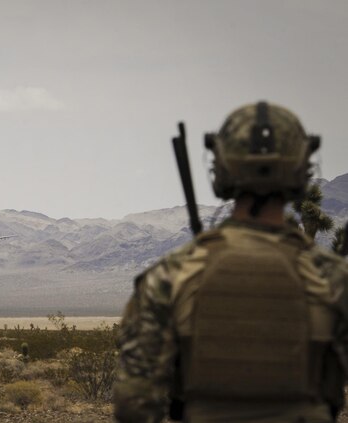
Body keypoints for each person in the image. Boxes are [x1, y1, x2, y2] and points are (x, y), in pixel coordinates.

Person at [113, 101, 348, 422]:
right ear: (301, 167)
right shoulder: (334, 279)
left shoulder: (171, 276)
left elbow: (134, 405)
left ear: (222, 167)